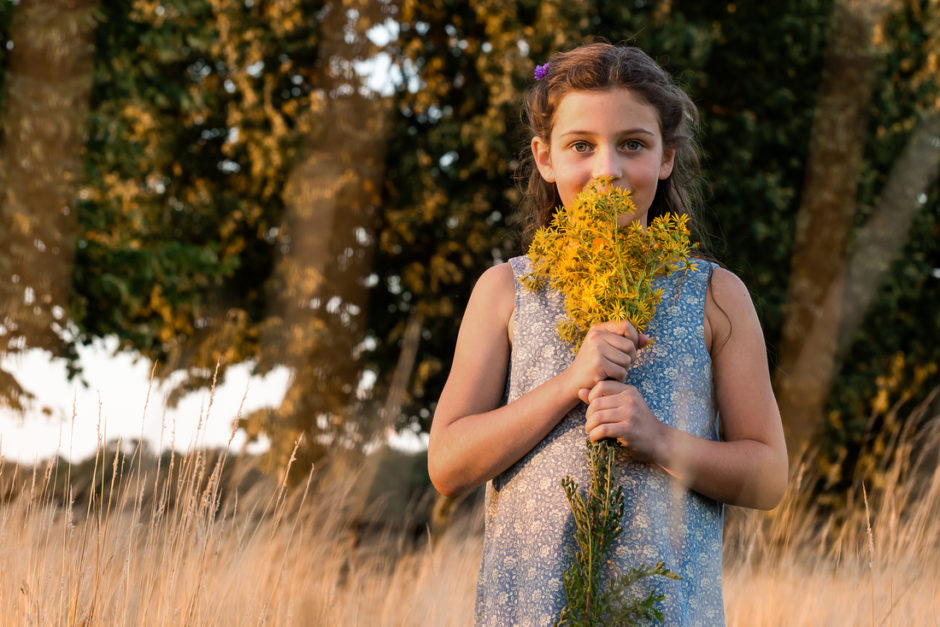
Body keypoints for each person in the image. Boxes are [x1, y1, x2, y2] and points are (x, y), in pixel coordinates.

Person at [428, 42, 788, 626]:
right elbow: (447, 465)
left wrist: (660, 440)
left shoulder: (716, 296)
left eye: (634, 145)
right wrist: (572, 382)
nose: (607, 169)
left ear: (667, 156)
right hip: (531, 613)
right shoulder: (506, 291)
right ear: (544, 158)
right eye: (581, 146)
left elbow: (769, 475)